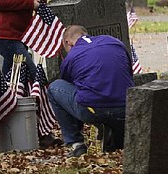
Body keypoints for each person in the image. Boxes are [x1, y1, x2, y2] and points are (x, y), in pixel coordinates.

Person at [47, 25, 134, 158]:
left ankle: (76, 143)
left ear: (67, 42)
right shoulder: (114, 42)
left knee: (55, 87)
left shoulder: (71, 57)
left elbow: (72, 88)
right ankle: (114, 133)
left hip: (92, 110)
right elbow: (128, 71)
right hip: (126, 107)